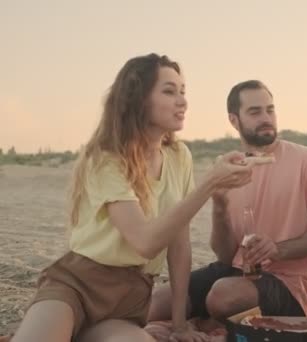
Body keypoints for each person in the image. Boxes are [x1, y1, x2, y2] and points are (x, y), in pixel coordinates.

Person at [11, 54, 260, 342]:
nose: (183, 101)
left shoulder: (180, 157)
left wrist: (179, 324)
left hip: (130, 299)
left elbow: (179, 244)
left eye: (183, 92)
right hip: (77, 286)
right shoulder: (106, 158)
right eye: (169, 91)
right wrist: (209, 184)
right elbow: (145, 242)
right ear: (139, 98)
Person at [147, 80, 307, 324]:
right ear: (234, 120)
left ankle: (209, 322)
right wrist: (219, 205)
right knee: (157, 303)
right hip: (238, 272)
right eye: (255, 112)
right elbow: (226, 256)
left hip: (289, 283)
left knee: (221, 296)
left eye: (270, 109)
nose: (266, 117)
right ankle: (208, 322)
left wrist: (277, 249)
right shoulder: (230, 168)